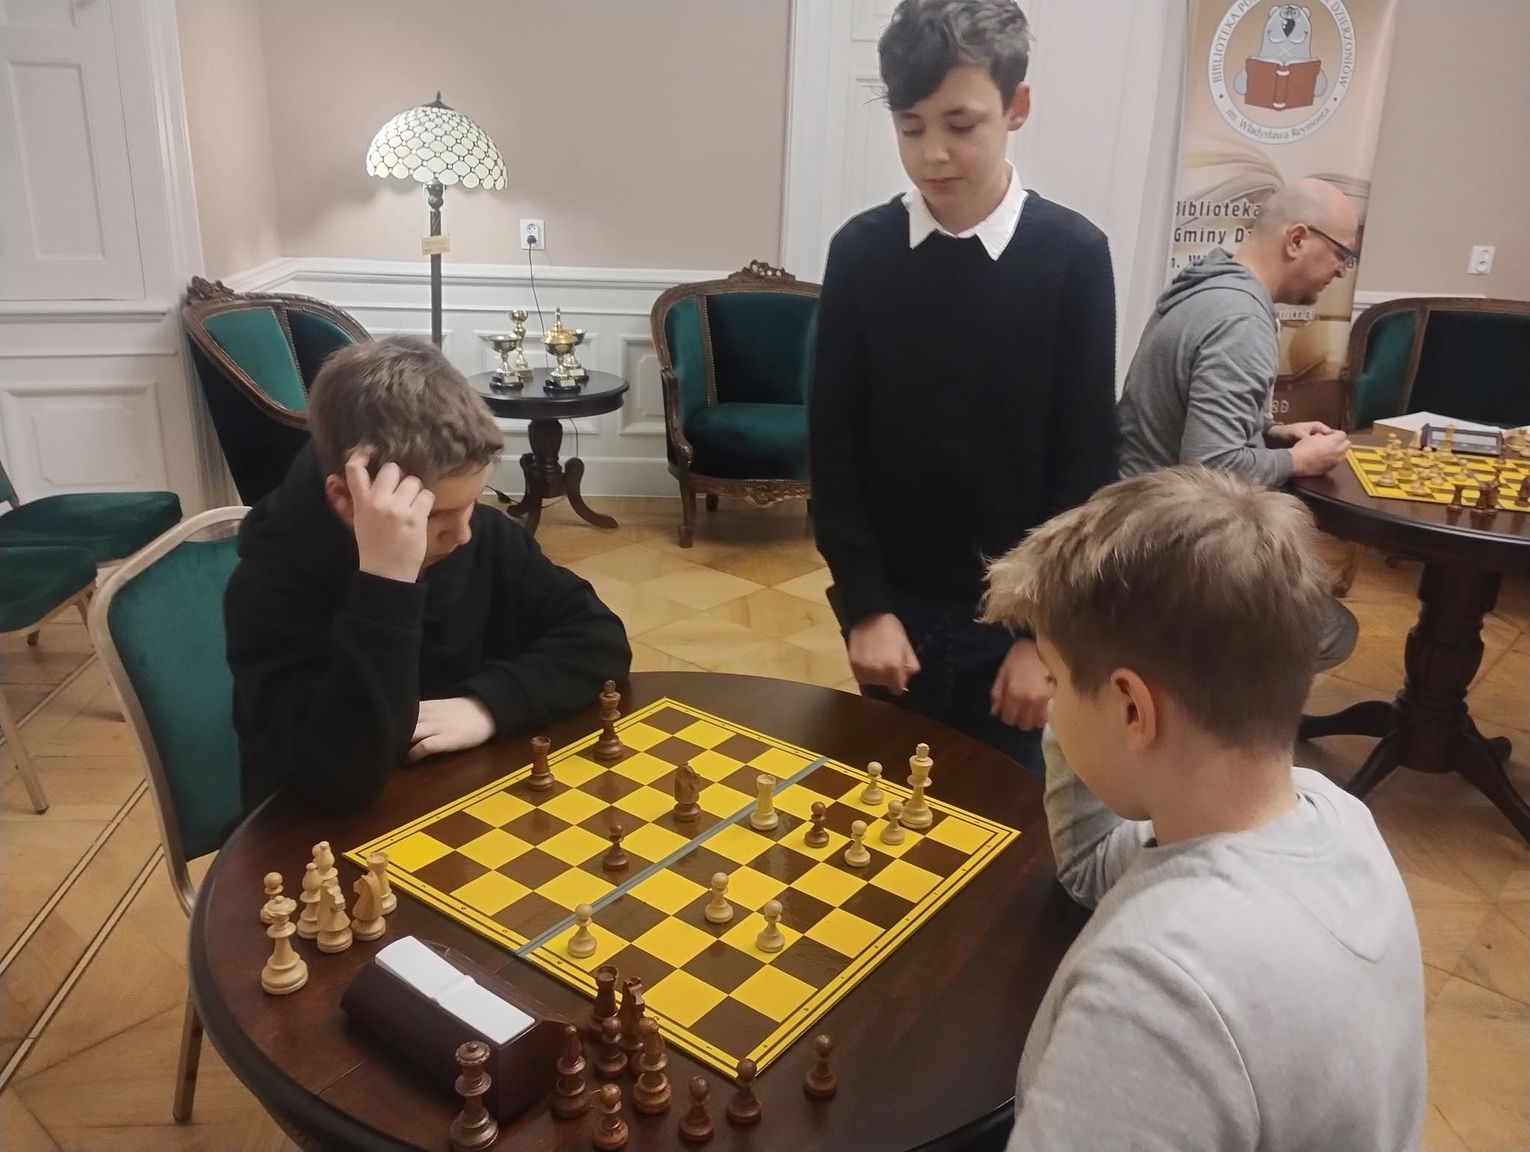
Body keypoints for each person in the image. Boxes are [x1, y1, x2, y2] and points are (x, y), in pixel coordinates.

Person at [980, 467, 1425, 1151]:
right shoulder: (1335, 815)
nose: (1052, 712)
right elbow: (1097, 863)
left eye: (1057, 683)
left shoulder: (1153, 996)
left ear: (1133, 708)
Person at [810, 0, 1117, 774]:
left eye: (960, 124)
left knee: (1007, 813)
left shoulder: (1074, 256)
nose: (933, 155)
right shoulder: (860, 253)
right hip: (893, 614)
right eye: (910, 127)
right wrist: (865, 606)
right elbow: (833, 448)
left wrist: (1043, 636)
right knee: (883, 807)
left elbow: (1084, 468)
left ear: (1017, 107)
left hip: (1017, 622)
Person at [225, 337, 631, 814]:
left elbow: (600, 639)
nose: (462, 534)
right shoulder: (267, 590)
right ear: (347, 498)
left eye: (472, 503)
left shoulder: (482, 536)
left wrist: (487, 706)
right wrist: (387, 583)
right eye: (432, 515)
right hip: (315, 831)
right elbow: (342, 778)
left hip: (461, 800)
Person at [1117, 177, 1360, 667]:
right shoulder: (1240, 321)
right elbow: (1211, 468)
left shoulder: (1206, 288)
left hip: (1130, 520)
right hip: (1162, 549)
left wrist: (1271, 433)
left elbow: (1184, 415)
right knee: (1330, 631)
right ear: (1297, 239)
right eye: (1341, 254)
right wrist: (1297, 460)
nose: (1341, 270)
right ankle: (1207, 706)